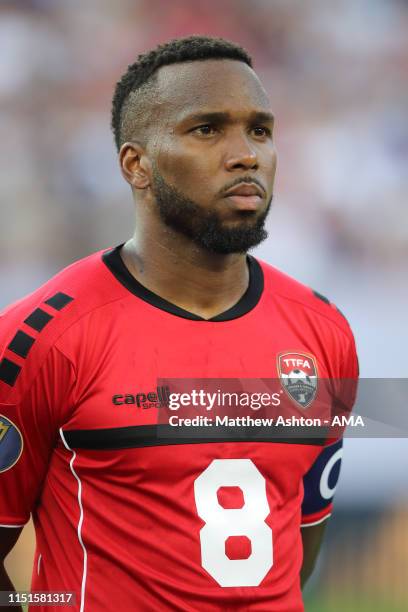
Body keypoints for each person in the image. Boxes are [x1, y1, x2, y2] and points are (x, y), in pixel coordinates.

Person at [0, 36, 358, 611]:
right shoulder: (44, 338)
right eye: (207, 129)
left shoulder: (324, 332)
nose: (246, 154)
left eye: (260, 131)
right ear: (136, 164)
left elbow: (301, 541)